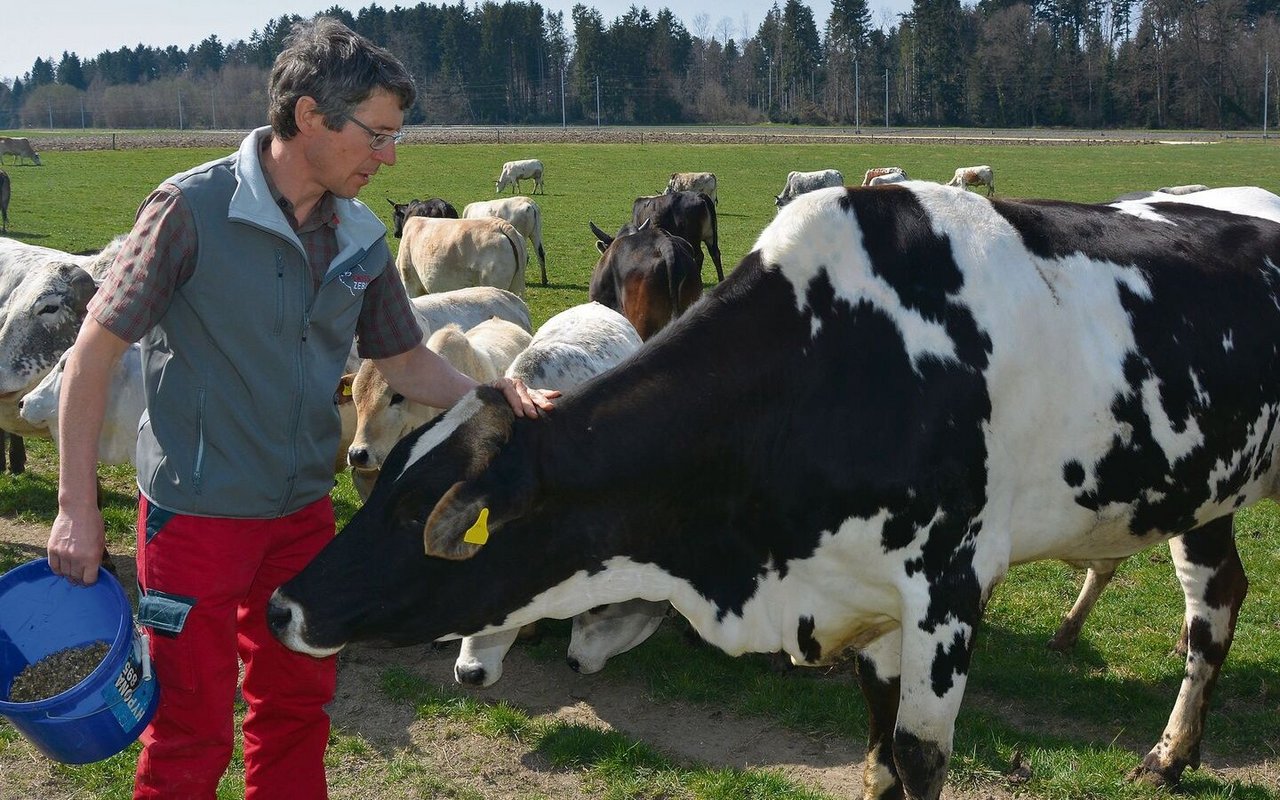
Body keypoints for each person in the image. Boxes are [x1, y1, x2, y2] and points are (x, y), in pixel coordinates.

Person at [45, 17, 555, 800]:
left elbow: (405, 360)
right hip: (195, 515)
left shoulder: (359, 236)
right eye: (377, 135)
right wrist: (77, 506)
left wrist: (498, 396)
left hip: (302, 520)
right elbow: (93, 355)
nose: (389, 157)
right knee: (190, 726)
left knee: (297, 705)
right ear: (311, 115)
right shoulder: (190, 211)